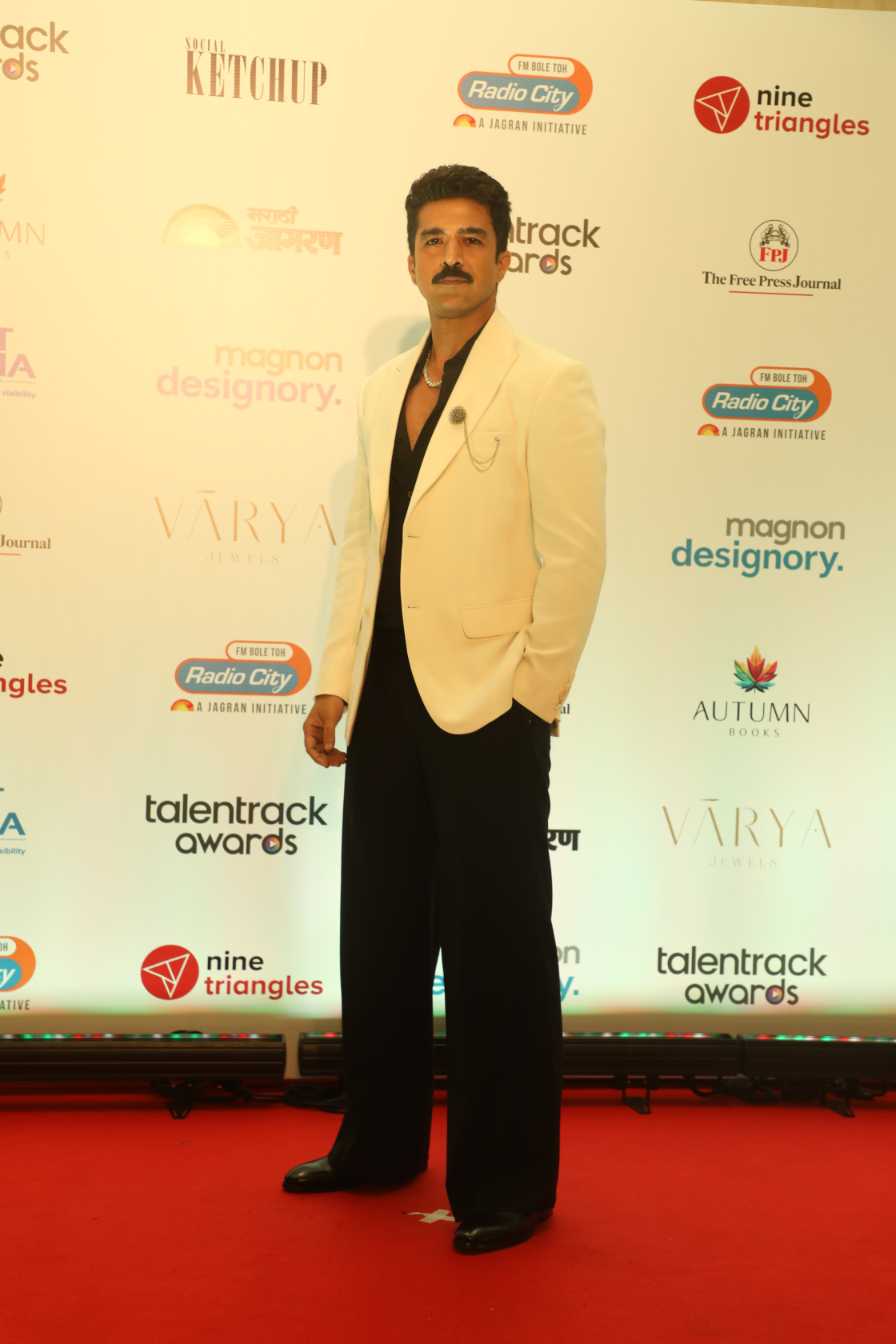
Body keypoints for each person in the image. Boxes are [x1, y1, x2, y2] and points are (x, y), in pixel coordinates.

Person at [282, 164, 606, 1255]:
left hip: (490, 706)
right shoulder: (384, 389)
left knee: (496, 947)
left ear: (505, 256)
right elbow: (365, 546)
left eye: (472, 238)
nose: (451, 256)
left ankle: (508, 1184)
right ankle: (377, 1144)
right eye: (433, 238)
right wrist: (336, 677)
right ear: (411, 258)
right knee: (377, 930)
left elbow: (574, 557)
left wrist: (532, 697)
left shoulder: (549, 383)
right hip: (384, 697)